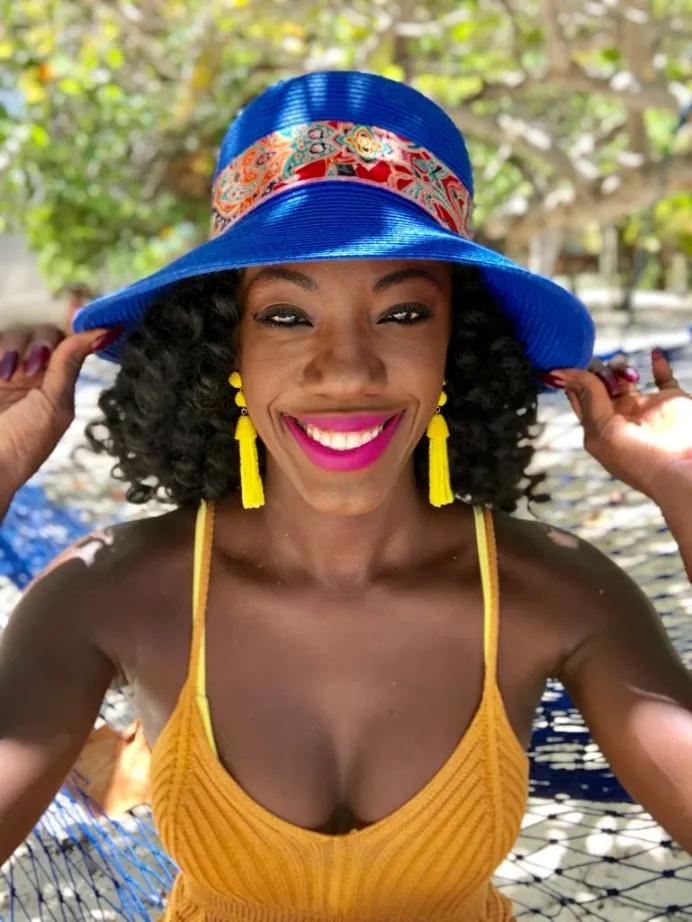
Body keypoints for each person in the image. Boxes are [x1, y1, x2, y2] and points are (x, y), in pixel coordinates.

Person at [0, 71, 691, 922]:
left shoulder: (553, 595)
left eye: (402, 315)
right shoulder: (108, 592)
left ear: (456, 348)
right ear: (227, 346)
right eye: (288, 316)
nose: (348, 370)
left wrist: (687, 489)